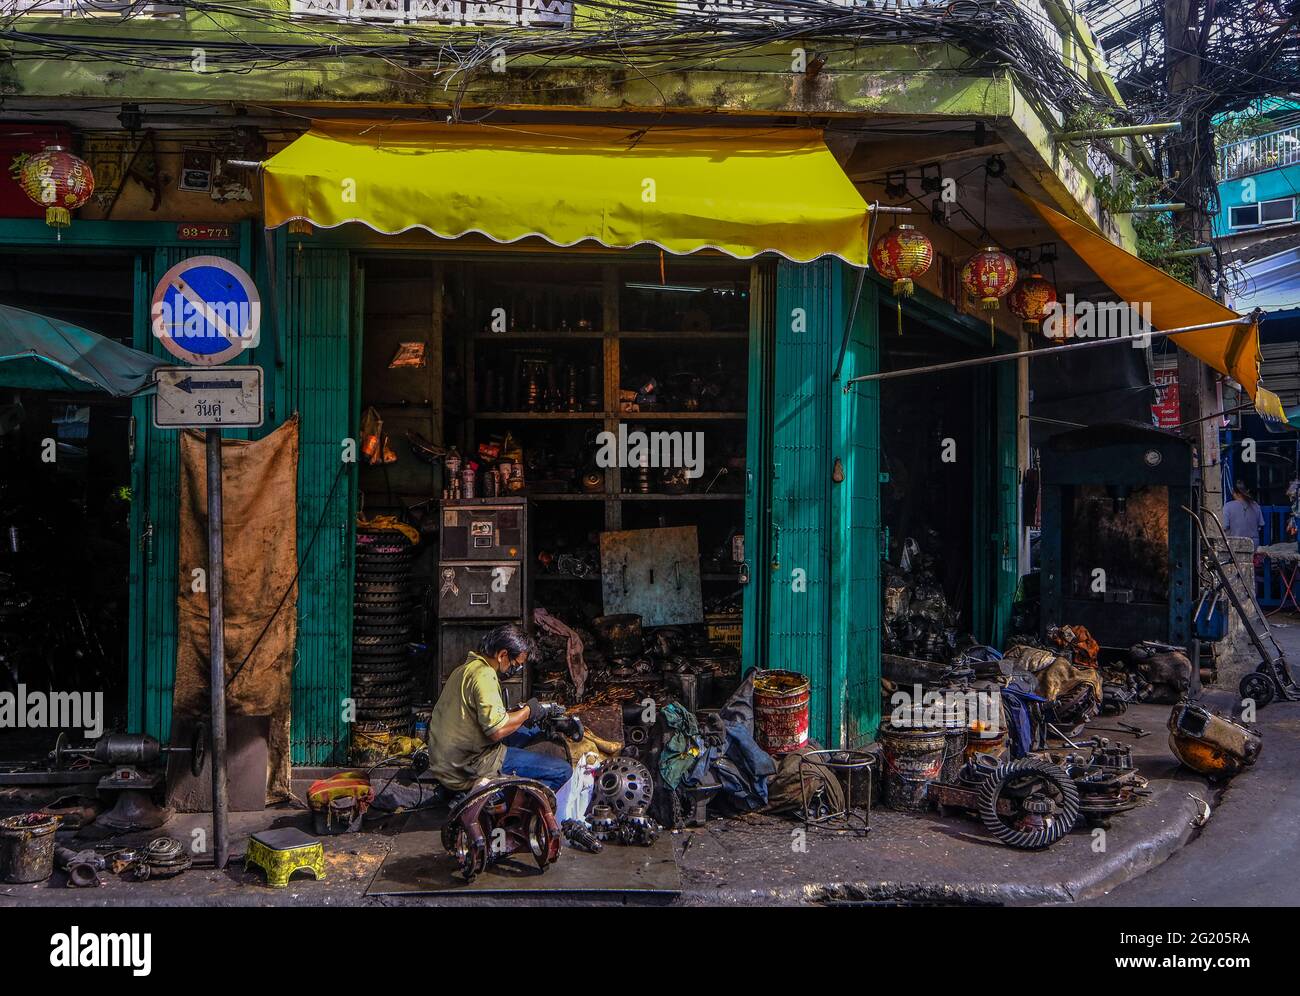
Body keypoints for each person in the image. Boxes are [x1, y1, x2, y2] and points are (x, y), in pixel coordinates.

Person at [424, 623, 572, 792]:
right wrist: (529, 710)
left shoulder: (465, 669)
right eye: (515, 665)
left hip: (445, 761)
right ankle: (504, 801)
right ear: (502, 654)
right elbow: (497, 731)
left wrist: (521, 715)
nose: (514, 670)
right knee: (562, 771)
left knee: (528, 734)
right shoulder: (484, 675)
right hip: (468, 767)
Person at [1223, 482, 1265, 550]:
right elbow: (1260, 525)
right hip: (1253, 545)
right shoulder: (1255, 505)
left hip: (1235, 545)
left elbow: (1224, 526)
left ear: (1235, 492)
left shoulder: (1228, 506)